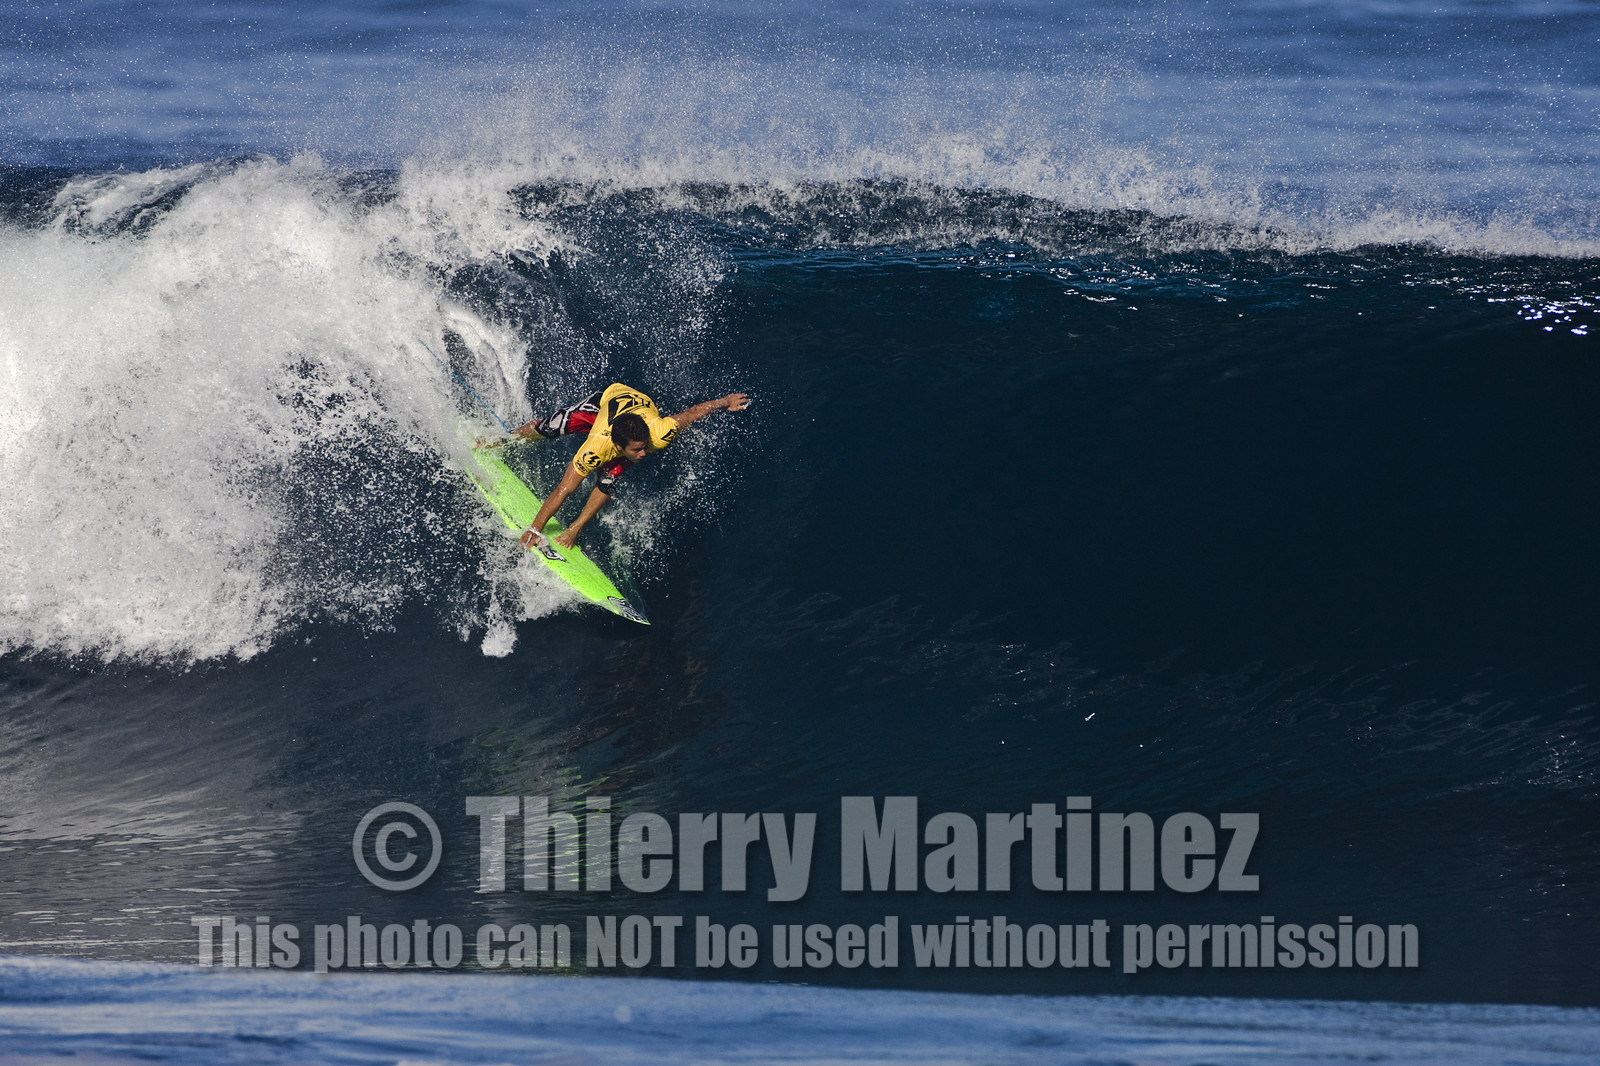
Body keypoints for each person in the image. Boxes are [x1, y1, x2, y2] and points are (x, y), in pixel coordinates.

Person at [490, 383, 750, 554]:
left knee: (608, 478)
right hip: (608, 399)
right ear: (617, 445)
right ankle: (503, 439)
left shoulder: (660, 433)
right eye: (636, 450)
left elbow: (692, 413)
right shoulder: (596, 447)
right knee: (548, 428)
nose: (643, 453)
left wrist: (725, 401)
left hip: (638, 408)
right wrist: (534, 530)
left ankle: (576, 528)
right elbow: (564, 489)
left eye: (643, 447)